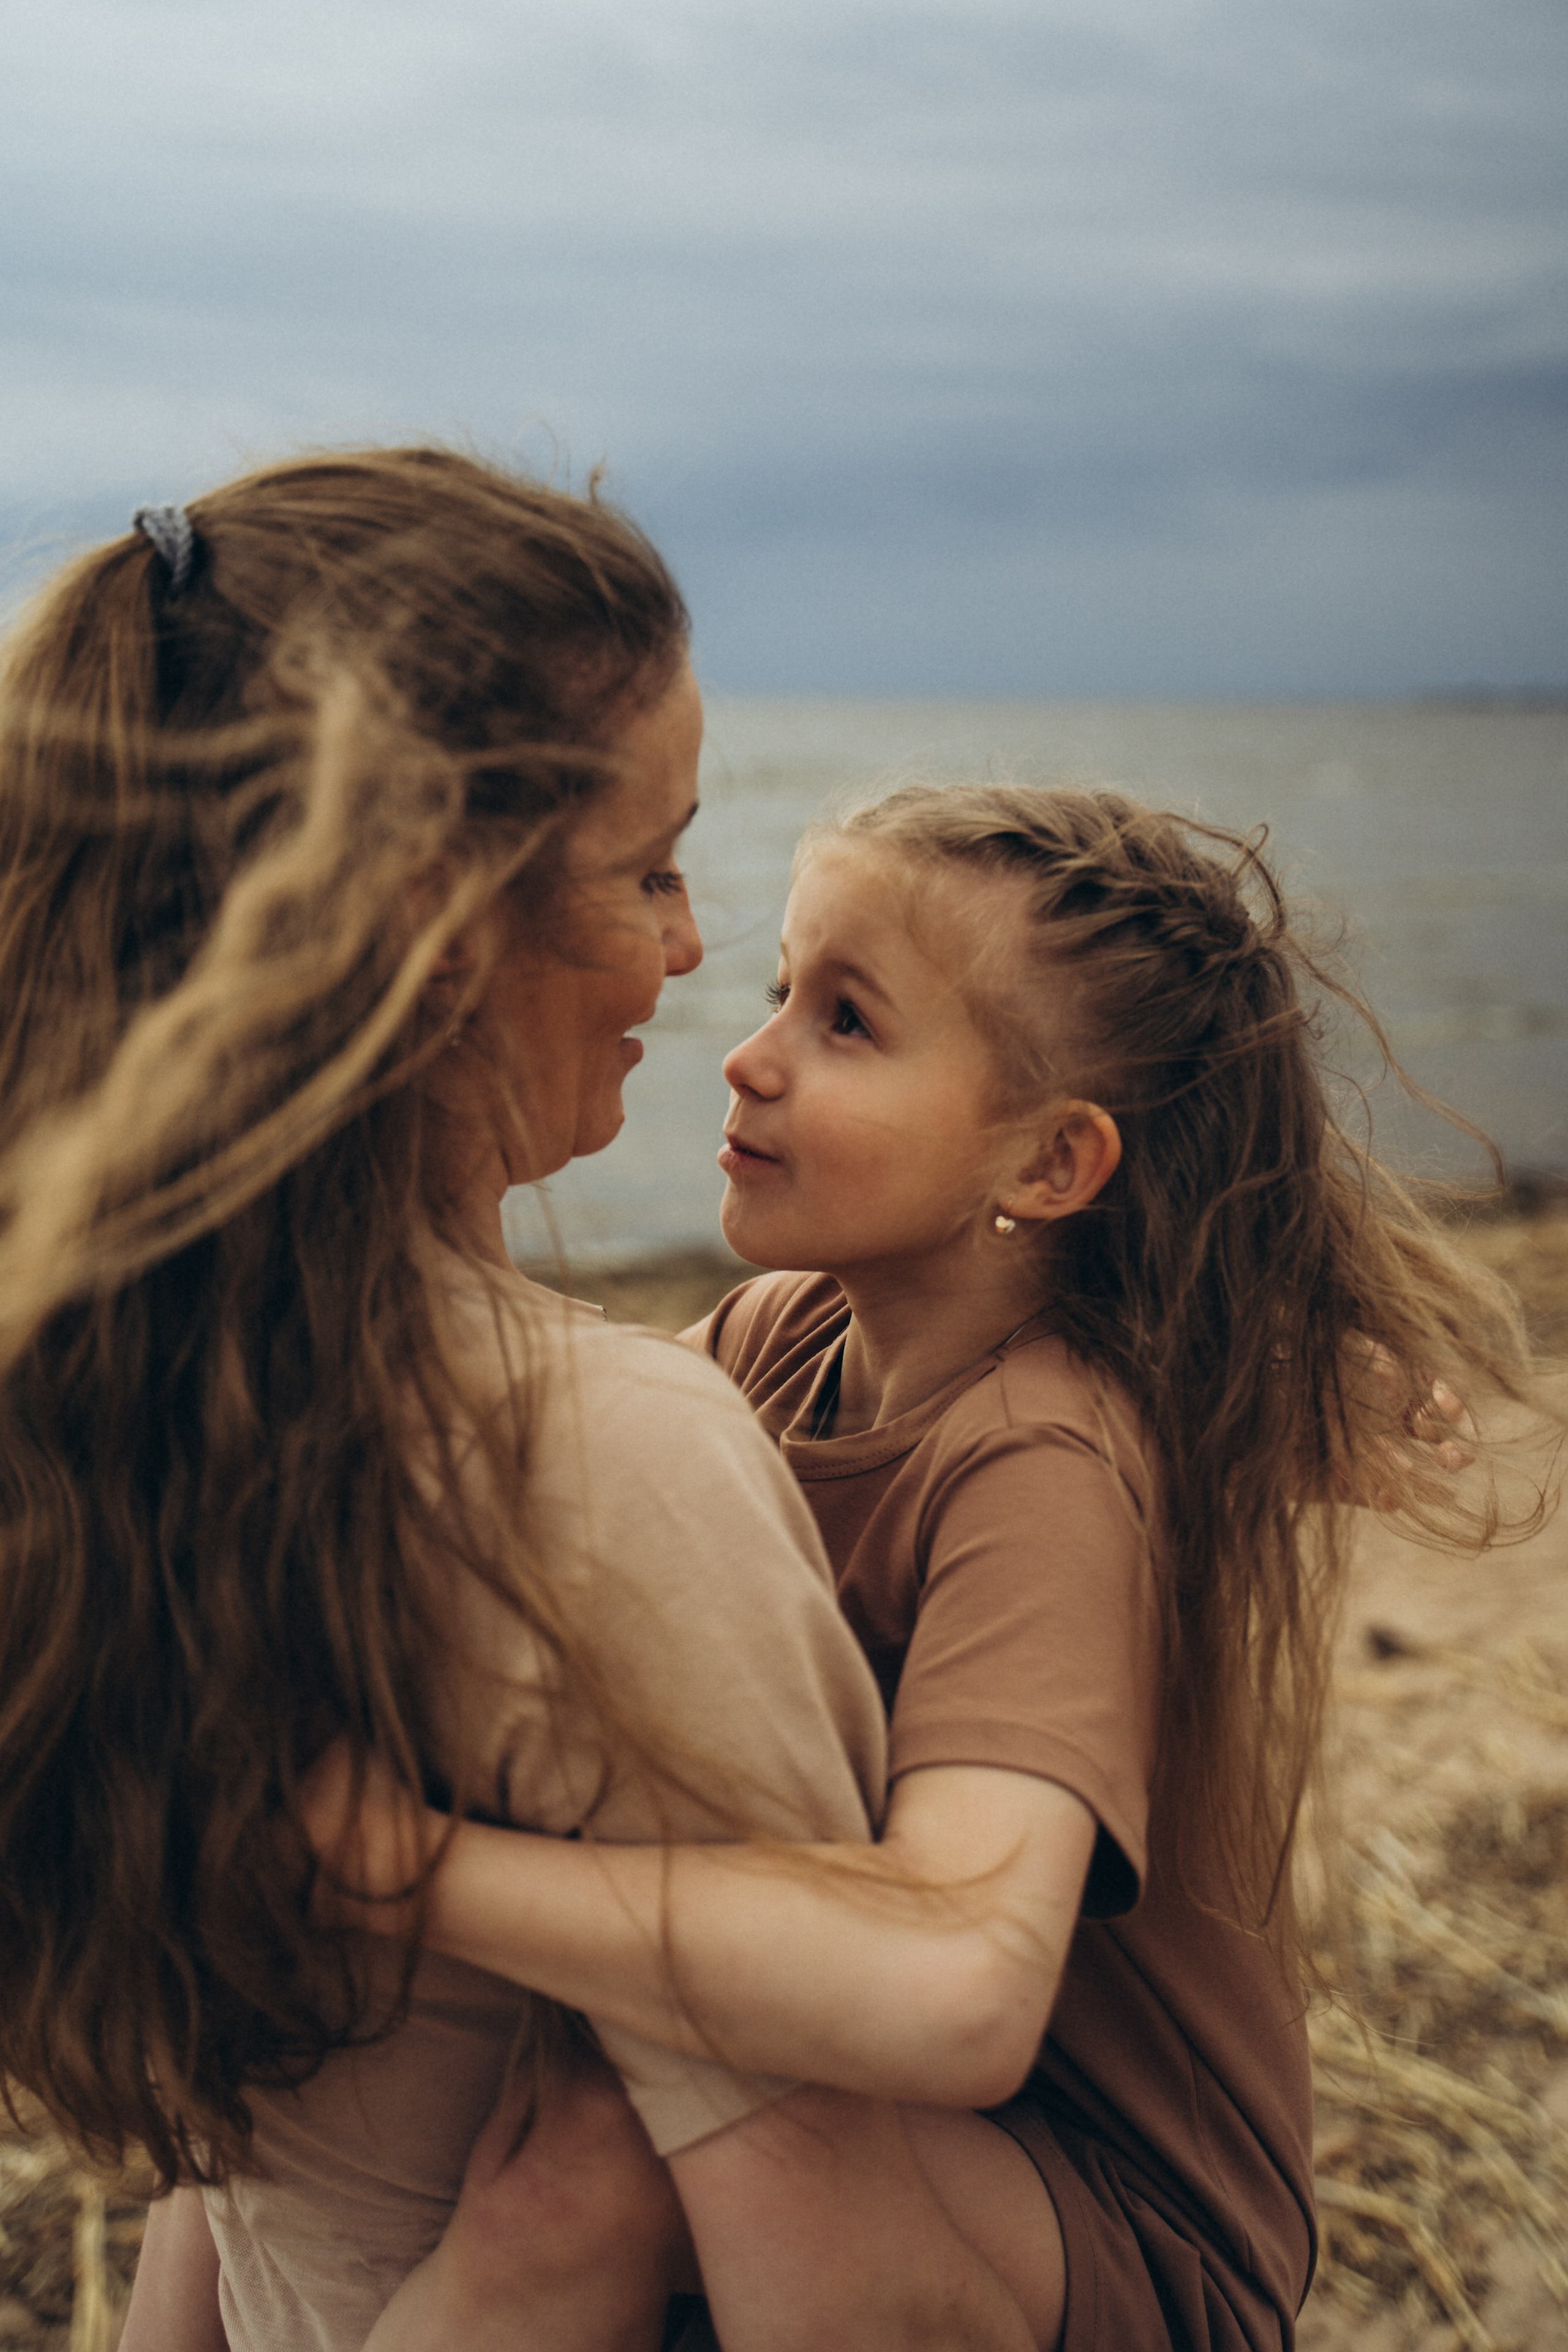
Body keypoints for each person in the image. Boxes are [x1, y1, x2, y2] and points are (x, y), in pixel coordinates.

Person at [0, 450, 1047, 2352]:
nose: (689, 949)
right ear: (439, 925)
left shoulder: (106, 1395)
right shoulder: (590, 1462)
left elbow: (230, 2182)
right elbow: (844, 2278)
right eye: (649, 869)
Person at [313, 780, 1545, 2351]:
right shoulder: (783, 1334)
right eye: (779, 991)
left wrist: (395, 1870)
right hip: (916, 2118)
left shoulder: (1039, 1462)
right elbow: (535, 1498)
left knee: (584, 2173)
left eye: (846, 1023)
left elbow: (962, 1979)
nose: (749, 1057)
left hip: (1113, 2222)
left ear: (1047, 1166)